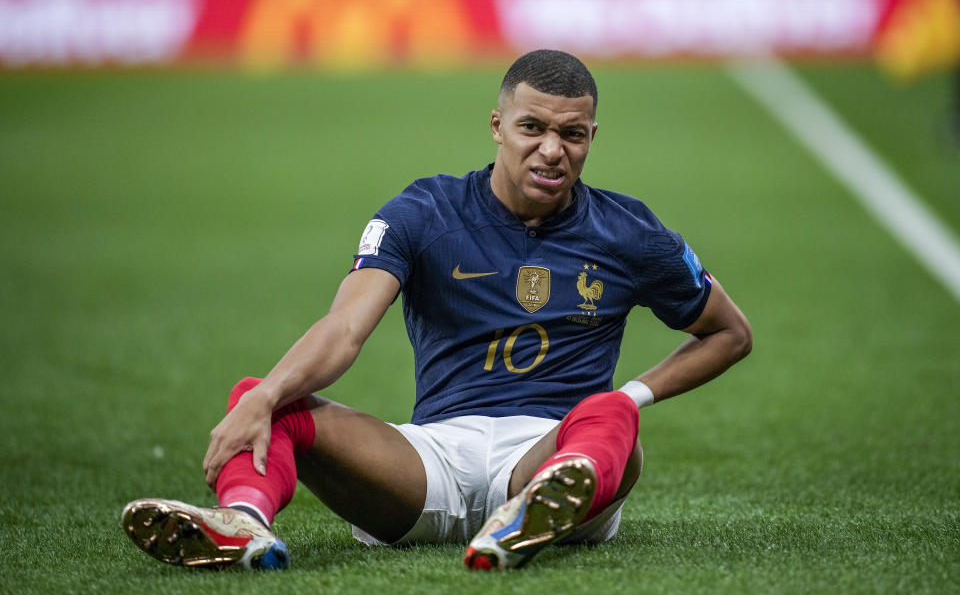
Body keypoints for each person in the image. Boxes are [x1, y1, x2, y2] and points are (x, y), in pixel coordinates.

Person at [121, 49, 752, 571]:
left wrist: (633, 396)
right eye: (533, 127)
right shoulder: (424, 214)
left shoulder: (630, 232)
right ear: (498, 126)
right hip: (430, 460)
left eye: (572, 133)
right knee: (263, 394)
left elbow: (729, 332)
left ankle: (534, 510)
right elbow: (343, 329)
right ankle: (243, 524)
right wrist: (264, 398)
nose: (552, 149)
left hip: (553, 447)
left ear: (591, 138)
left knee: (613, 420)